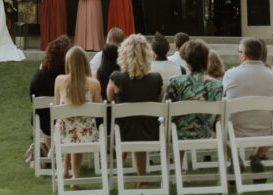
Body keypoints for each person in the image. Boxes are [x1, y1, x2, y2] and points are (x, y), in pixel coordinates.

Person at [107, 34, 164, 176]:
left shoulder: (116, 78)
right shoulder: (156, 79)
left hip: (123, 133)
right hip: (150, 132)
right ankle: (142, 174)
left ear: (124, 54)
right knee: (140, 122)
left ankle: (141, 174)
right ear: (147, 54)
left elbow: (110, 100)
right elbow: (159, 100)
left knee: (133, 124)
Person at [223, 37, 273, 175]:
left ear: (243, 54)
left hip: (235, 130)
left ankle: (234, 159)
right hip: (266, 129)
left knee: (216, 126)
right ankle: (257, 156)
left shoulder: (231, 75)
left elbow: (222, 98)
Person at [54, 46, 103, 180]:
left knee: (70, 127)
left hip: (63, 135)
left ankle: (65, 170)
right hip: (87, 135)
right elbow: (97, 112)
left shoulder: (59, 80)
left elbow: (57, 108)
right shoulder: (95, 84)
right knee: (79, 129)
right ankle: (75, 177)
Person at [165, 39, 223, 141]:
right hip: (206, 133)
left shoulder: (175, 82)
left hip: (177, 135)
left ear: (187, 61)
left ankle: (175, 157)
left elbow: (165, 111)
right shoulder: (217, 85)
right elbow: (216, 118)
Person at [28, 35, 70, 159]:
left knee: (43, 115)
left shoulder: (39, 77)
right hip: (65, 120)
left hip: (44, 121)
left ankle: (50, 152)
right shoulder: (68, 78)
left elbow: (32, 98)